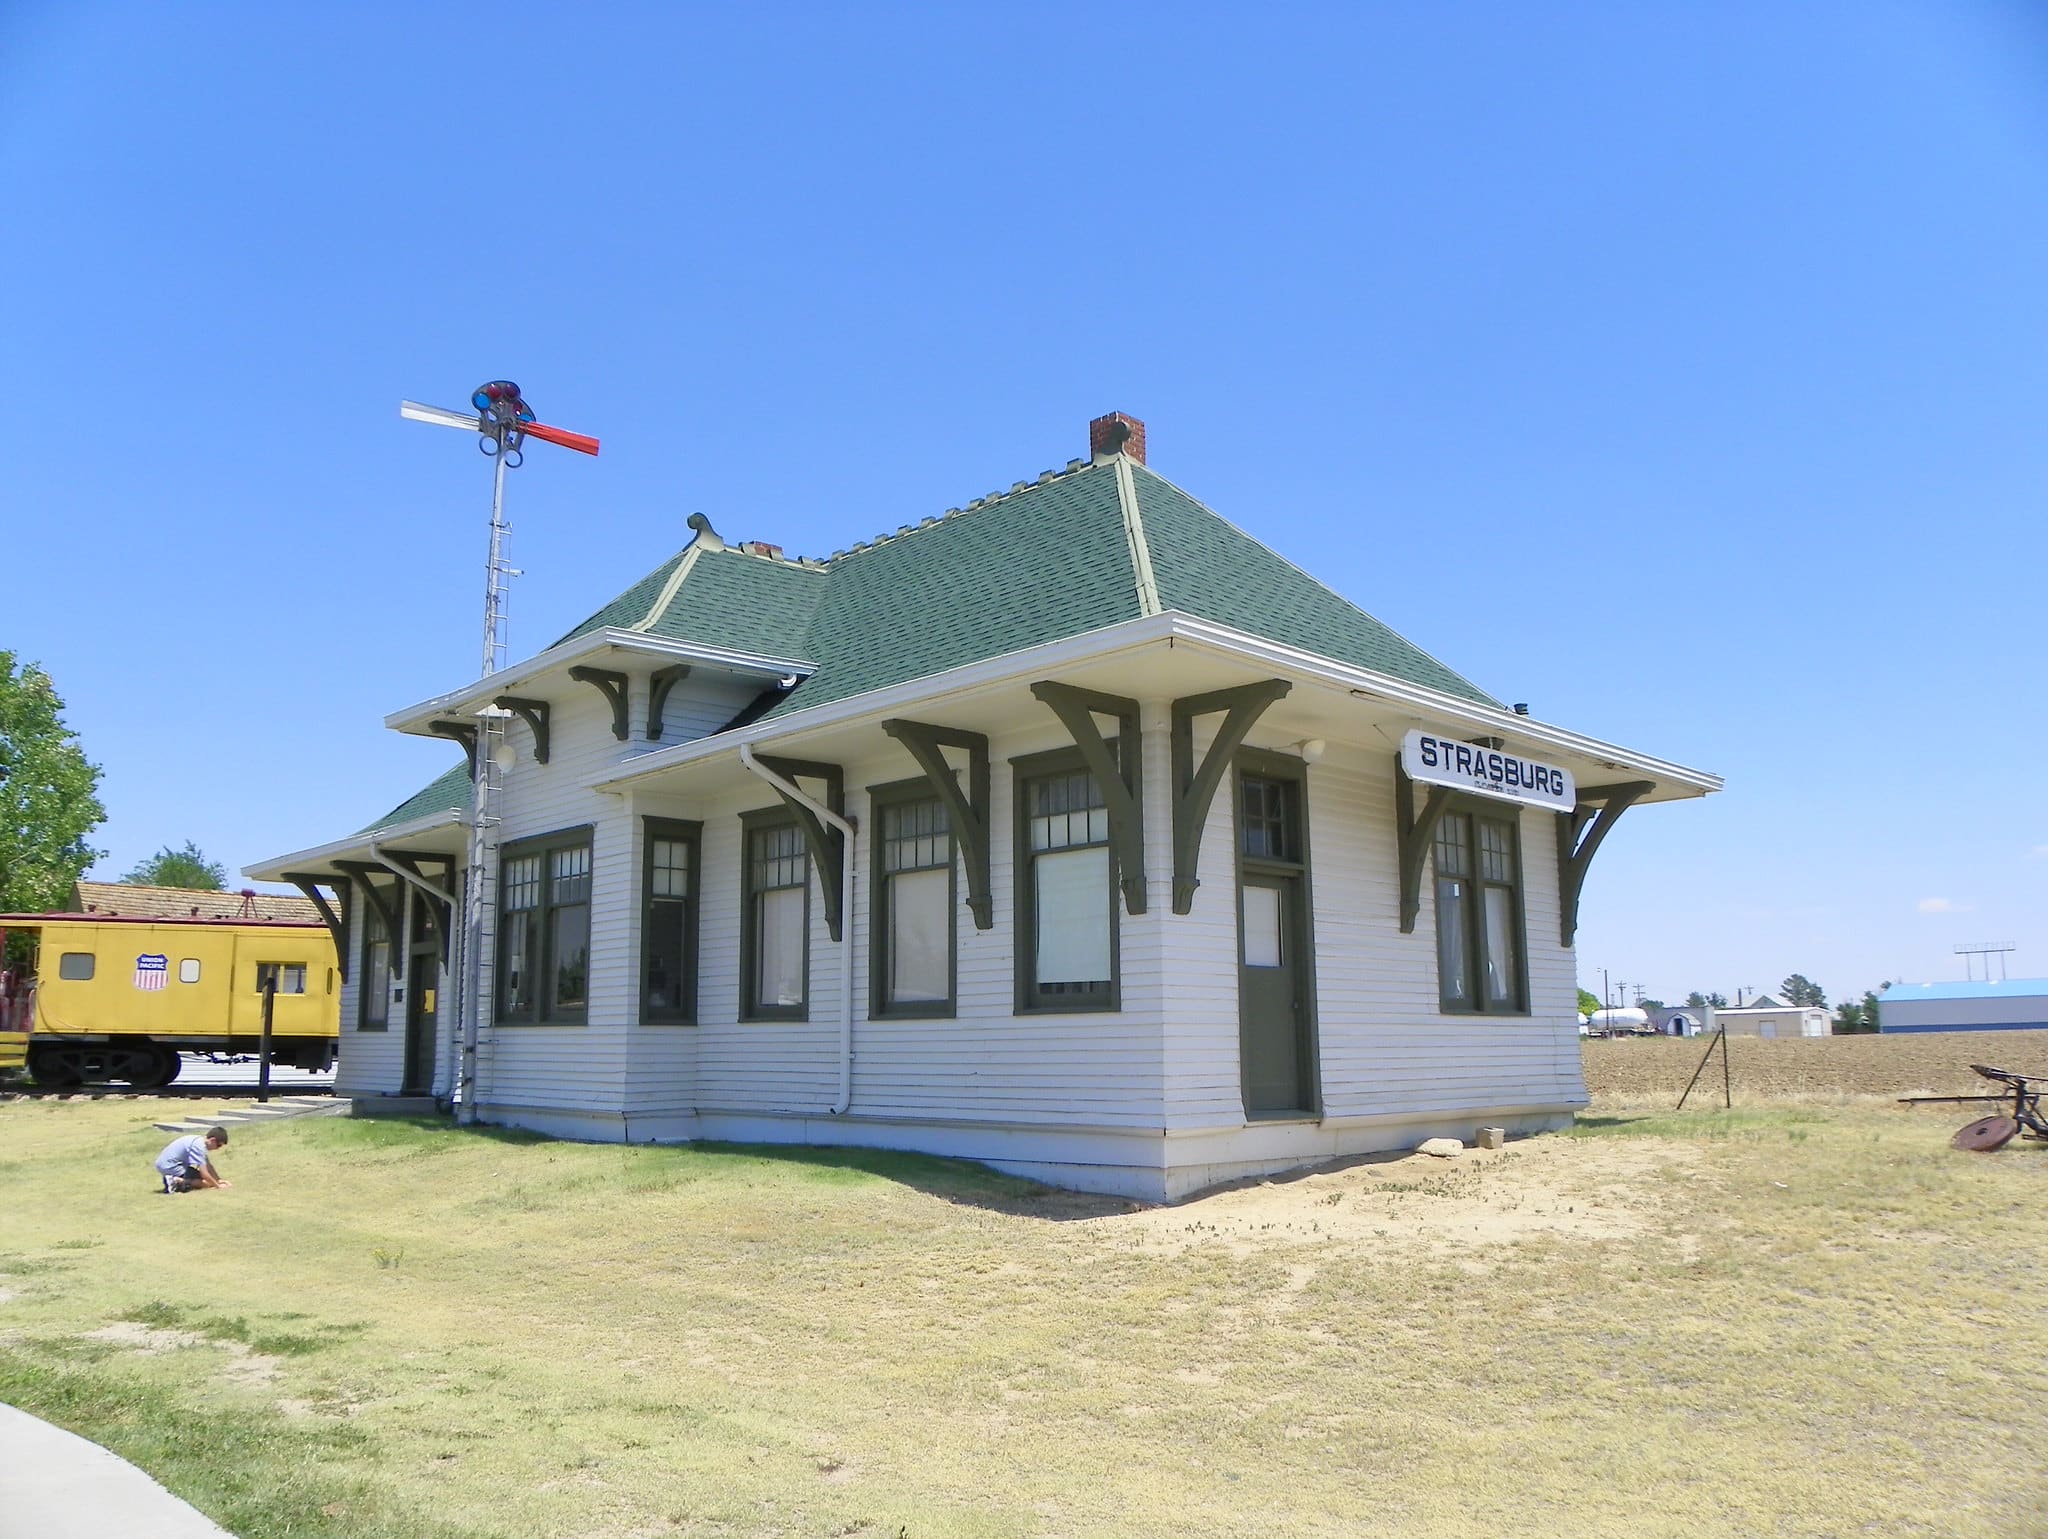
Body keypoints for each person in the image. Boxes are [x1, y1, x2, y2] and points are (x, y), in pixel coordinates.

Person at [154, 1126, 230, 1193]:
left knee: (206, 1180)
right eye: (218, 1145)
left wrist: (218, 1180)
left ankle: (175, 1181)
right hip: (169, 1165)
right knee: (206, 1182)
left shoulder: (199, 1141)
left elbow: (208, 1165)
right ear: (212, 1140)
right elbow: (205, 1174)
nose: (217, 1148)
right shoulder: (198, 1147)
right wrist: (218, 1186)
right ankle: (176, 1181)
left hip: (166, 1163)